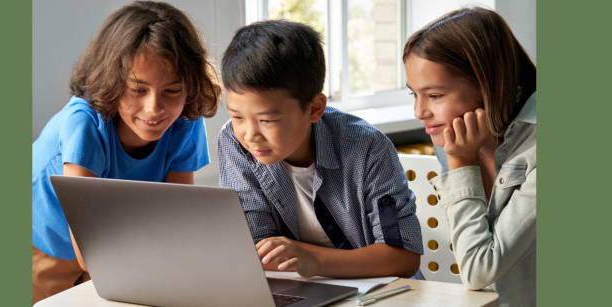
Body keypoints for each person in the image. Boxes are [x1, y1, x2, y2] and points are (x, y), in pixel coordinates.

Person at [31, 1, 221, 304]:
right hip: (44, 243)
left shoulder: (185, 120)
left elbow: (176, 216)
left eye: (172, 90)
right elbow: (89, 253)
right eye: (137, 89)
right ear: (112, 80)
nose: (155, 108)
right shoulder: (84, 126)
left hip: (113, 238)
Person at [218, 20, 423, 279]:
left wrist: (314, 260)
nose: (249, 135)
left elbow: (403, 257)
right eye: (237, 117)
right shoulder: (233, 141)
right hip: (296, 290)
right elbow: (252, 251)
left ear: (315, 108)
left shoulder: (367, 147)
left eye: (266, 120)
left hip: (380, 292)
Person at [404, 7, 536, 306]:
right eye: (414, 94)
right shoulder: (452, 141)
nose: (419, 112)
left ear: (492, 85)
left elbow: (479, 271)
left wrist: (462, 163)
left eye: (435, 95)